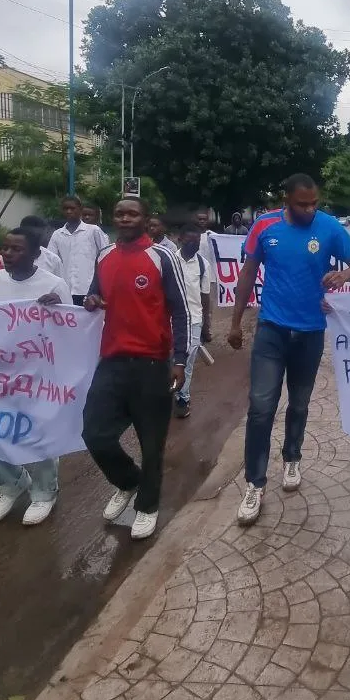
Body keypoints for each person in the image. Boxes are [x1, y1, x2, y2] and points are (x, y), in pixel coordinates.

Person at [228, 172, 350, 526]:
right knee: (260, 408)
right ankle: (254, 484)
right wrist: (235, 322)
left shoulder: (329, 227)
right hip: (272, 330)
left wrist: (343, 276)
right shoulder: (264, 226)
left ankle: (292, 457)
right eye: (303, 203)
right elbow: (247, 273)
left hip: (310, 333)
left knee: (300, 404)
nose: (310, 209)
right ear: (285, 199)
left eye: (314, 202)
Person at [82, 197, 191, 540]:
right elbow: (94, 294)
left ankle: (147, 506)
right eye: (120, 213)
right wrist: (89, 301)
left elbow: (181, 311)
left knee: (151, 441)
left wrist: (179, 360)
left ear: (145, 219)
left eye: (132, 213)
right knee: (95, 433)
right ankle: (129, 482)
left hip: (152, 363)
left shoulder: (162, 257)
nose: (125, 218)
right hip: (112, 360)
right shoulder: (104, 255)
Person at [0, 227, 72, 526]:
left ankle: (43, 491)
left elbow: (70, 331)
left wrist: (55, 309)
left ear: (36, 254)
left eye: (16, 249)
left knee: (35, 434)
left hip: (38, 377)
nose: (7, 254)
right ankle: (11, 485)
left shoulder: (54, 284)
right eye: (5, 248)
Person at [175, 223, 211, 418]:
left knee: (187, 363)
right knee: (168, 360)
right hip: (170, 320)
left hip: (194, 320)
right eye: (189, 240)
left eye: (196, 241)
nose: (193, 244)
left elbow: (205, 298)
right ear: (179, 240)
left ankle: (183, 398)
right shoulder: (169, 260)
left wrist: (207, 325)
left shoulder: (204, 265)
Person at [47, 195, 109, 305]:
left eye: (72, 208)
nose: (69, 211)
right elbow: (50, 261)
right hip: (66, 290)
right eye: (65, 209)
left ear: (80, 209)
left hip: (89, 290)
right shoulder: (57, 234)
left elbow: (106, 256)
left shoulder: (93, 230)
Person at [195, 206, 218, 328]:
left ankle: (206, 329)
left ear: (208, 221)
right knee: (195, 304)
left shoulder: (214, 236)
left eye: (204, 219)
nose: (202, 221)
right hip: (194, 276)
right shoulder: (191, 236)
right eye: (200, 219)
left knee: (208, 306)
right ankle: (197, 328)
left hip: (211, 276)